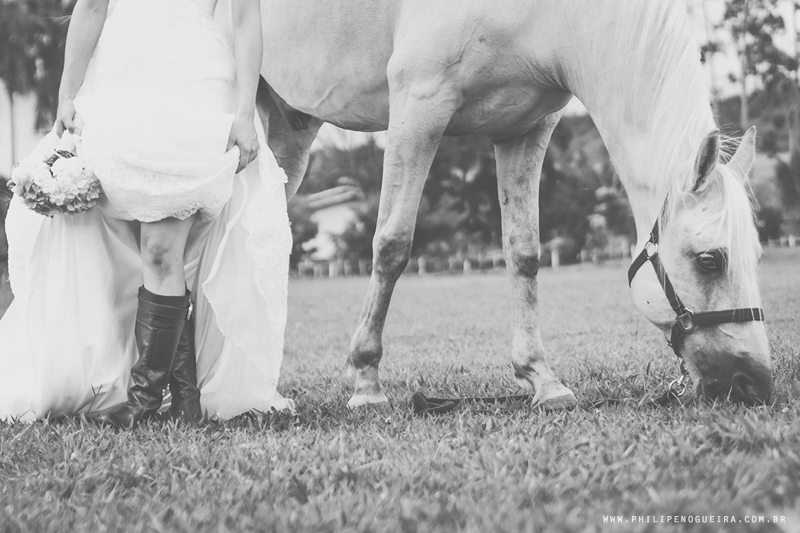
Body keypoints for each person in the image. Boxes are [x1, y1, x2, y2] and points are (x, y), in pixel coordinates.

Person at [0, 0, 293, 426]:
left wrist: (245, 112)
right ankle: (185, 399)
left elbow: (247, 18)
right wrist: (67, 94)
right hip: (119, 79)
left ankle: (143, 401)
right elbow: (91, 7)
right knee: (148, 249)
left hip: (195, 82)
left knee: (159, 249)